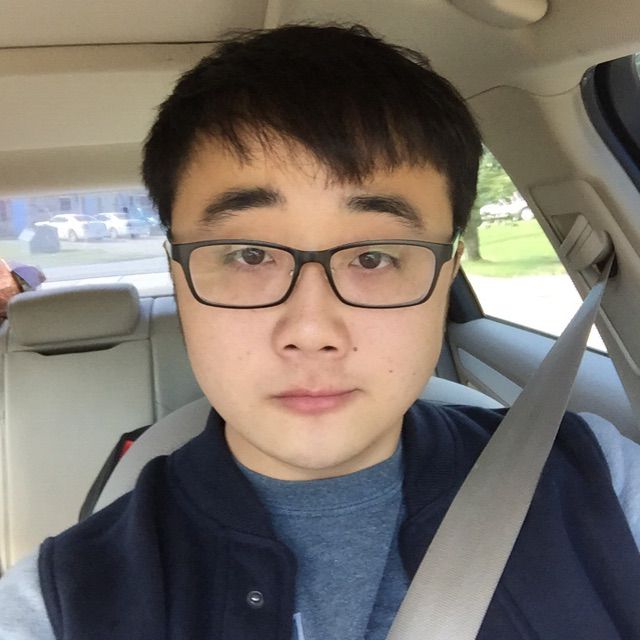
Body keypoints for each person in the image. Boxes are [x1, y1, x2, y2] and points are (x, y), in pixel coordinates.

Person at [1, 23, 640, 640]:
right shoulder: (63, 601)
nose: (310, 330)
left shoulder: (598, 480)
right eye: (249, 254)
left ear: (447, 276)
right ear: (179, 279)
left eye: (374, 257)